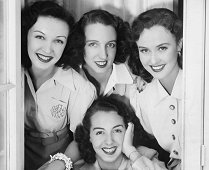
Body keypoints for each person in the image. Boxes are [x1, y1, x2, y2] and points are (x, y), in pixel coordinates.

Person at [21, 1, 96, 169]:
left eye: (58, 41)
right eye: (40, 37)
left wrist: (60, 163)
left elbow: (82, 140)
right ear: (25, 34)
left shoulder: (79, 87)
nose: (48, 49)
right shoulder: (10, 75)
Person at [128, 8, 183, 170]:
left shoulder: (200, 86)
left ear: (179, 44)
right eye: (144, 50)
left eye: (162, 48)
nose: (153, 60)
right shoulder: (142, 96)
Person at [74, 95, 167, 170]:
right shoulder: (78, 167)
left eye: (117, 130)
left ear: (128, 132)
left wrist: (131, 152)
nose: (109, 141)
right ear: (89, 135)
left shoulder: (146, 157)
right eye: (100, 132)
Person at [65, 9, 137, 97]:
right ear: (79, 44)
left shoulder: (136, 82)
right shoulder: (64, 80)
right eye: (93, 44)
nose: (103, 56)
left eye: (110, 45)